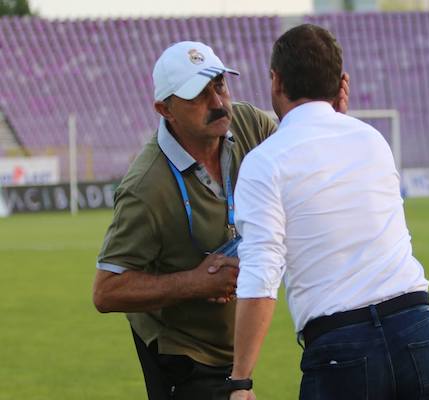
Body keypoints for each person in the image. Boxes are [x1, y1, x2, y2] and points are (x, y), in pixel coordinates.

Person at [92, 40, 349, 400]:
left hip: (232, 344)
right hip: (182, 354)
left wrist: (327, 122)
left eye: (219, 85)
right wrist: (193, 283)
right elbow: (106, 291)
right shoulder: (146, 187)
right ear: (165, 109)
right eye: (198, 95)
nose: (217, 103)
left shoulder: (249, 124)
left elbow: (300, 165)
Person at [229, 24, 429, 400]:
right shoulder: (372, 140)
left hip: (341, 343)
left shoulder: (264, 162)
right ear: (342, 83)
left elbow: (261, 273)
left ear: (276, 81)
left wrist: (241, 380)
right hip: (417, 326)